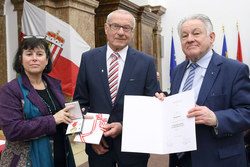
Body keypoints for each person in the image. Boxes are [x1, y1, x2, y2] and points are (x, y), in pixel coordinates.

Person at [73, 9, 161, 167]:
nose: (121, 32)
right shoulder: (88, 58)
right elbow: (80, 101)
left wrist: (123, 126)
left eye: (126, 28)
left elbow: (151, 107)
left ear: (132, 32)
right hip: (99, 146)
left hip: (134, 146)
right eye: (115, 26)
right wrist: (91, 135)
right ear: (106, 28)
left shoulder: (146, 62)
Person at [168, 14, 250, 167]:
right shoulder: (178, 71)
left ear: (211, 37)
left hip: (218, 160)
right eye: (184, 35)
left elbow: (247, 111)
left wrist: (217, 118)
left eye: (196, 33)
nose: (190, 39)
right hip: (181, 158)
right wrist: (164, 103)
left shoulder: (235, 69)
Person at [0, 36, 76, 167]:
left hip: (60, 155)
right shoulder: (10, 90)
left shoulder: (54, 85)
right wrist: (52, 120)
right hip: (27, 160)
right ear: (20, 59)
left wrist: (77, 119)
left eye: (40, 54)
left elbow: (61, 119)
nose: (34, 58)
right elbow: (12, 130)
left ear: (46, 60)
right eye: (29, 54)